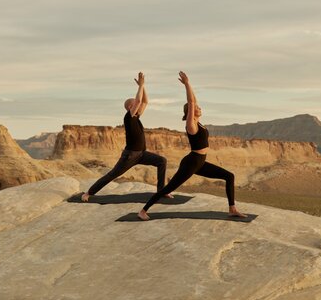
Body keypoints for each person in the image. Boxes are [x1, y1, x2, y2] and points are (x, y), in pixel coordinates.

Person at [138, 71, 245, 220]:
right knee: (169, 188)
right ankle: (143, 211)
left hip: (200, 162)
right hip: (191, 163)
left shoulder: (199, 122)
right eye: (196, 107)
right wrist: (187, 84)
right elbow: (191, 101)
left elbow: (194, 100)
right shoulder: (191, 124)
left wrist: (190, 85)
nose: (199, 107)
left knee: (229, 176)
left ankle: (232, 209)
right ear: (191, 111)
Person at [81, 72, 173, 202]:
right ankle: (89, 193)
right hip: (130, 155)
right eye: (135, 104)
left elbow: (145, 101)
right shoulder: (128, 117)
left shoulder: (136, 116)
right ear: (131, 107)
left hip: (141, 153)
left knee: (162, 161)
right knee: (113, 174)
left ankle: (161, 191)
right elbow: (139, 100)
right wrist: (140, 86)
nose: (139, 105)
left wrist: (143, 86)